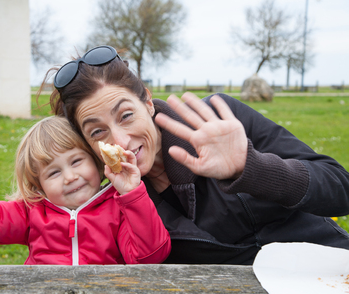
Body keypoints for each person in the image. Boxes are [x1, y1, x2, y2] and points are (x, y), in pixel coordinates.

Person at [39, 45, 349, 265]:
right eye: (97, 131)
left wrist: (249, 167)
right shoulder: (112, 198)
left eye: (126, 115)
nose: (120, 140)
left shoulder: (221, 119)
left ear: (147, 101)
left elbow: (340, 189)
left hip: (325, 272)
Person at [0, 116, 171, 265]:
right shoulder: (31, 212)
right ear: (39, 185)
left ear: (96, 161)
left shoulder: (119, 207)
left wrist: (133, 195)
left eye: (76, 161)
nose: (70, 177)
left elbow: (150, 255)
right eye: (53, 173)